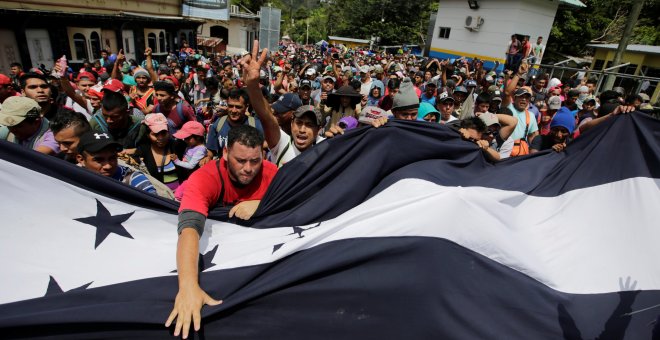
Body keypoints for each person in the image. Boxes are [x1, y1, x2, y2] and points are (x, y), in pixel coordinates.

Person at [166, 125, 278, 339]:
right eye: (240, 160)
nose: (248, 168)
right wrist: (188, 286)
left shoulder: (272, 174)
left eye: (255, 161)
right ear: (225, 153)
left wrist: (261, 203)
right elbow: (189, 229)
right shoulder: (204, 178)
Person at [76, 130, 157, 194]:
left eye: (113, 158)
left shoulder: (134, 180)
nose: (108, 166)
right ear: (81, 160)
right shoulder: (72, 179)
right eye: (99, 160)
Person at [205, 88, 263, 157]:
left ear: (246, 107)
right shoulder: (218, 124)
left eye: (238, 107)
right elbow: (211, 150)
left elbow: (263, 150)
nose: (233, 110)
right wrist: (207, 158)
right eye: (230, 106)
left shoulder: (256, 125)